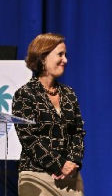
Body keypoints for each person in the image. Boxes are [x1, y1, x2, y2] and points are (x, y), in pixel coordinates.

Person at [12, 33, 85, 196]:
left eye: (66, 55)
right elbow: (29, 139)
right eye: (60, 54)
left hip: (70, 178)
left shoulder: (69, 94)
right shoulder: (25, 94)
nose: (65, 60)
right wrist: (59, 164)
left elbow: (78, 132)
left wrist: (73, 162)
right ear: (43, 57)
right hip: (35, 176)